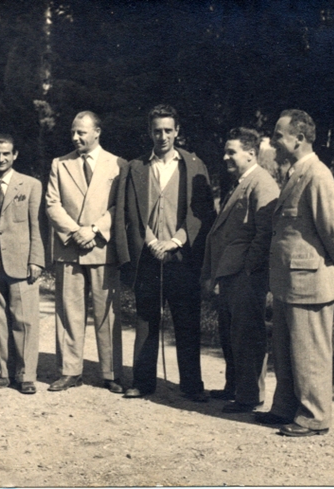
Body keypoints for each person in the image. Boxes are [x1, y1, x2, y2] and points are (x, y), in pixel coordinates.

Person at [256, 109, 334, 436]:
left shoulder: (318, 174)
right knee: (287, 351)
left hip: (310, 280)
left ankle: (314, 417)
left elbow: (332, 228)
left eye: (278, 135)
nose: (273, 140)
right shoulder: (296, 172)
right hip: (290, 281)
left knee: (309, 351)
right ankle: (285, 408)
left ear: (299, 138)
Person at [115, 104, 216, 401]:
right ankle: (143, 382)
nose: (162, 136)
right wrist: (150, 241)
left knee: (186, 320)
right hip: (148, 256)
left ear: (177, 131)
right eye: (157, 130)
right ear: (149, 132)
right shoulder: (136, 168)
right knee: (146, 319)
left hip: (181, 257)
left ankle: (191, 384)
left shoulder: (193, 165)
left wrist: (176, 241)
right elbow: (130, 212)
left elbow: (202, 211)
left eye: (168, 130)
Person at [45, 111, 126, 393]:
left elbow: (120, 206)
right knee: (69, 311)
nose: (75, 137)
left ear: (97, 132)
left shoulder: (118, 164)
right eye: (73, 132)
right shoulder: (60, 164)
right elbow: (52, 204)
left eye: (81, 132)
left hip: (102, 247)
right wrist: (75, 232)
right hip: (69, 248)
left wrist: (93, 229)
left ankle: (111, 373)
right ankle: (70, 371)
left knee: (108, 313)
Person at [200, 128, 279, 411]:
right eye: (226, 151)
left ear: (251, 153)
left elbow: (265, 232)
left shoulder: (262, 183)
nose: (225, 157)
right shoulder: (242, 182)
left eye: (231, 152)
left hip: (246, 276)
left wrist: (248, 269)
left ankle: (249, 396)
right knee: (231, 333)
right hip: (231, 274)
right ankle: (234, 387)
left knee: (247, 335)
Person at [0, 134, 45, 394]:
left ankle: (26, 375)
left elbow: (37, 225)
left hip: (22, 264)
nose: (1, 158)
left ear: (15, 155)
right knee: (1, 320)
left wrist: (36, 259)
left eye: (6, 154)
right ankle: (6, 372)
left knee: (24, 321)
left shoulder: (31, 185)